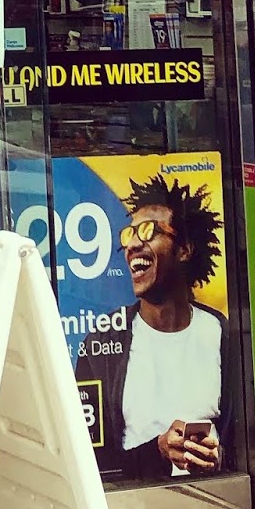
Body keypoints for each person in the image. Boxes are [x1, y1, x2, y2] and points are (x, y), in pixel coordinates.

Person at [77, 171, 230, 480]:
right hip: (136, 504)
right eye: (129, 234)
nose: (133, 244)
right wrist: (158, 452)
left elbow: (253, 443)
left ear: (184, 249)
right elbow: (90, 458)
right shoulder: (103, 342)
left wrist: (220, 458)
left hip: (220, 497)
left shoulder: (221, 334)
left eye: (147, 231)